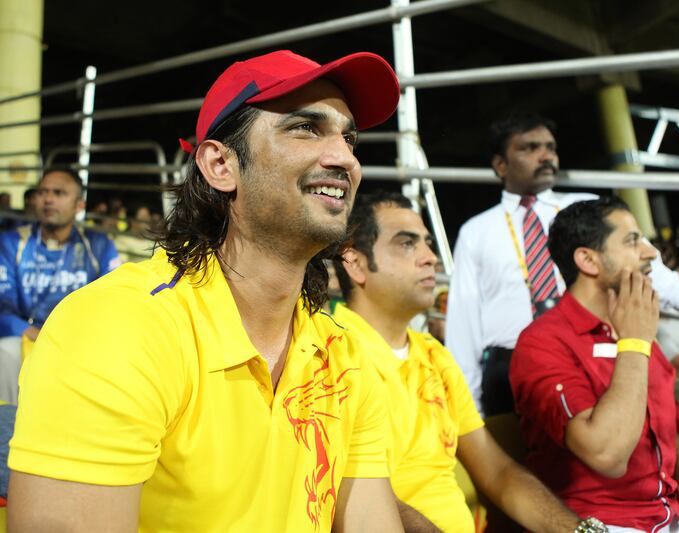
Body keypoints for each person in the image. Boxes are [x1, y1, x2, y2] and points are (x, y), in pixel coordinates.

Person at [8, 49, 405, 532]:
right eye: (305, 128)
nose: (344, 157)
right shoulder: (120, 328)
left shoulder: (348, 354)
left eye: (349, 137)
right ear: (220, 165)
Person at [332, 190, 605, 533]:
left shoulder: (432, 354)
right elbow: (360, 495)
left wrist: (578, 531)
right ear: (355, 263)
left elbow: (497, 472)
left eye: (428, 244)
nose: (430, 257)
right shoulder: (331, 352)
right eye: (407, 244)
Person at [509, 197, 679, 533]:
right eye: (633, 241)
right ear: (588, 260)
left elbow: (678, 443)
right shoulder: (543, 342)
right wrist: (634, 342)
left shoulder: (638, 333)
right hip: (602, 524)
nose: (651, 253)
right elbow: (607, 455)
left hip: (672, 518)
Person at [446, 112, 679, 416]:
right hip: (508, 367)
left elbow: (648, 266)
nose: (545, 155)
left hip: (594, 352)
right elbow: (463, 321)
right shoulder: (476, 231)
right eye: (530, 148)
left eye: (550, 147)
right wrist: (468, 409)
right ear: (500, 164)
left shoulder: (589, 210)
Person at [0, 170, 119, 404]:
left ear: (79, 205)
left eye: (59, 193)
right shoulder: (11, 242)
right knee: (4, 352)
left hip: (81, 339)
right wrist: (34, 333)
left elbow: (115, 303)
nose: (48, 199)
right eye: (42, 192)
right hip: (28, 336)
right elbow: (2, 307)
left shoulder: (99, 244)